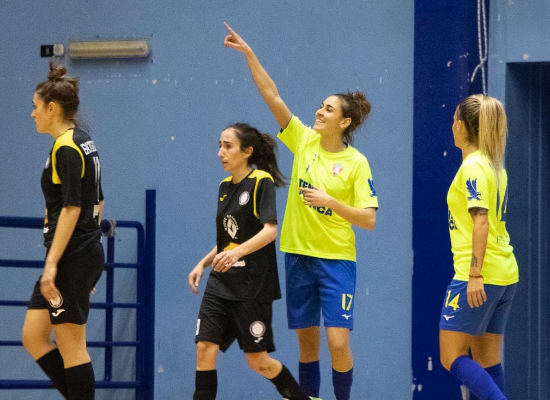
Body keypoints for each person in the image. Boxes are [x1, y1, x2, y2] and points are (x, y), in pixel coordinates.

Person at [223, 23, 378, 400]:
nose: (319, 111)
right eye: (321, 106)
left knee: (337, 343)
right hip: (297, 257)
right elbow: (271, 95)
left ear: (344, 122)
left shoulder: (357, 163)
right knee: (307, 345)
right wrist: (249, 54)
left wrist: (332, 202)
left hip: (336, 260)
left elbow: (369, 219)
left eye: (328, 109)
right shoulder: (304, 141)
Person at [188, 123, 314, 400]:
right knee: (204, 348)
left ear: (247, 151)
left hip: (252, 286)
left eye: (228, 146)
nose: (221, 152)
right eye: (219, 146)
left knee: (258, 361)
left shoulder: (261, 182)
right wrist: (202, 263)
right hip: (221, 283)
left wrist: (237, 253)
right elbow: (228, 240)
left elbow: (270, 231)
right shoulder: (223, 187)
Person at [22, 60, 104, 400]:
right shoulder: (82, 141)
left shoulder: (67, 148)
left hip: (71, 256)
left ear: (52, 108)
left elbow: (73, 208)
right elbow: (98, 202)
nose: (32, 113)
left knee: (72, 346)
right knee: (33, 336)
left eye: (35, 106)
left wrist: (54, 265)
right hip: (79, 254)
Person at [439, 94, 518, 400]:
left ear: (461, 126)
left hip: (479, 275)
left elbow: (481, 221)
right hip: (504, 274)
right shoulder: (495, 167)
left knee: (451, 356)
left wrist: (474, 274)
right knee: (487, 360)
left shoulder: (473, 167)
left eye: (454, 120)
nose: (452, 125)